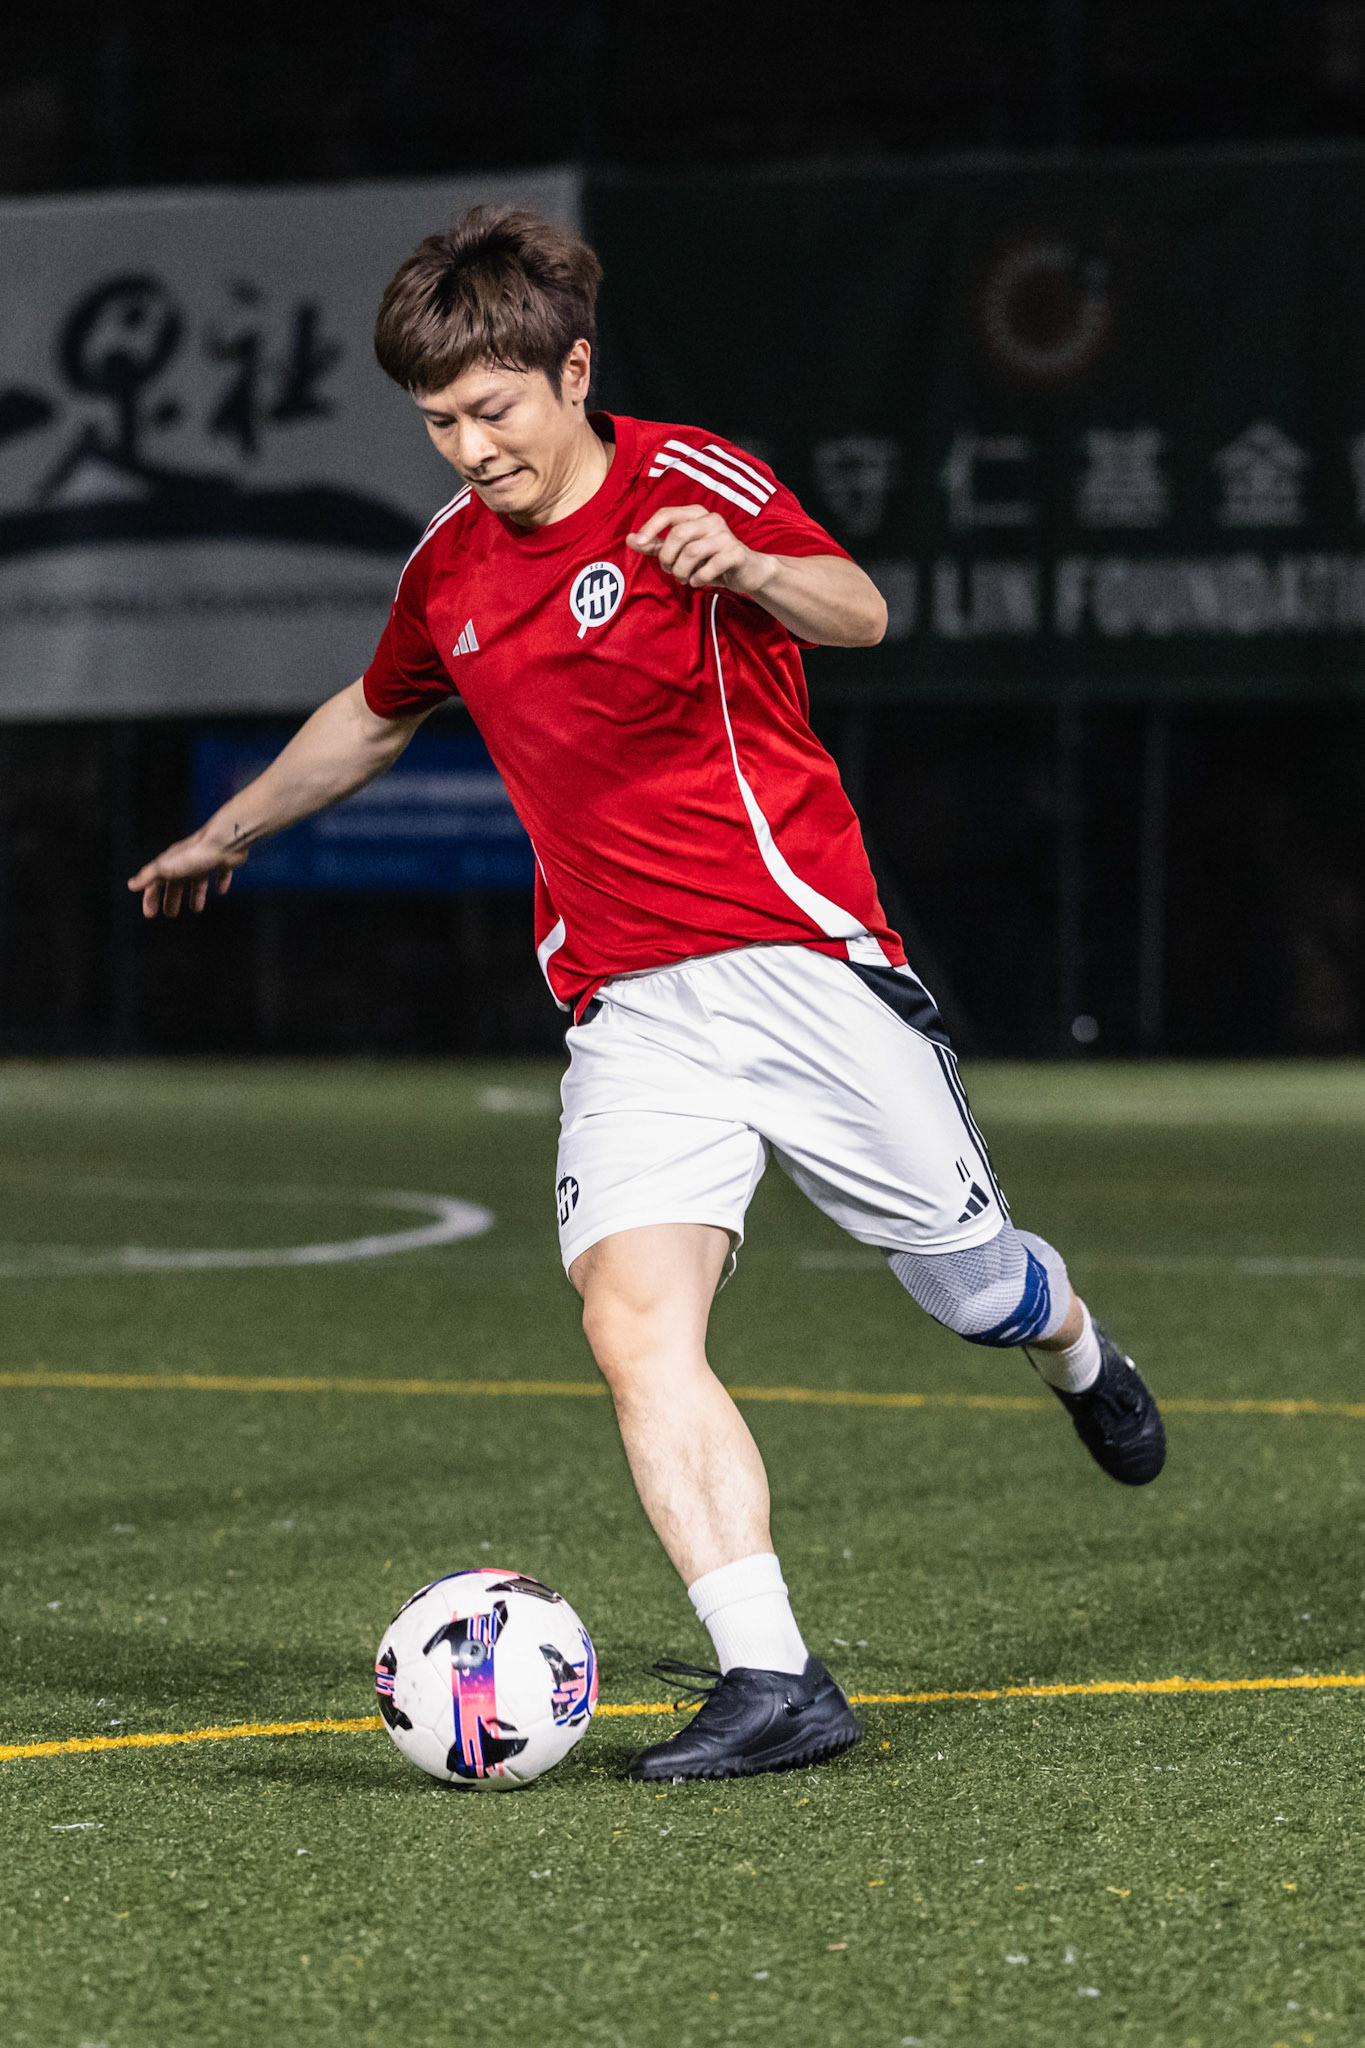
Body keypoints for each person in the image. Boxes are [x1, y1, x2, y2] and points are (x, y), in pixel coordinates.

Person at [129, 207, 1165, 1784]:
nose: (470, 447)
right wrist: (230, 829)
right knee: (631, 1325)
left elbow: (859, 609)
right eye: (438, 421)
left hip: (804, 968)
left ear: (574, 370)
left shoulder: (687, 481)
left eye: (494, 408)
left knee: (971, 1289)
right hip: (629, 1008)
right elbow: (375, 711)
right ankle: (774, 1677)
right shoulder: (449, 566)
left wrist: (748, 565)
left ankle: (1074, 1347)